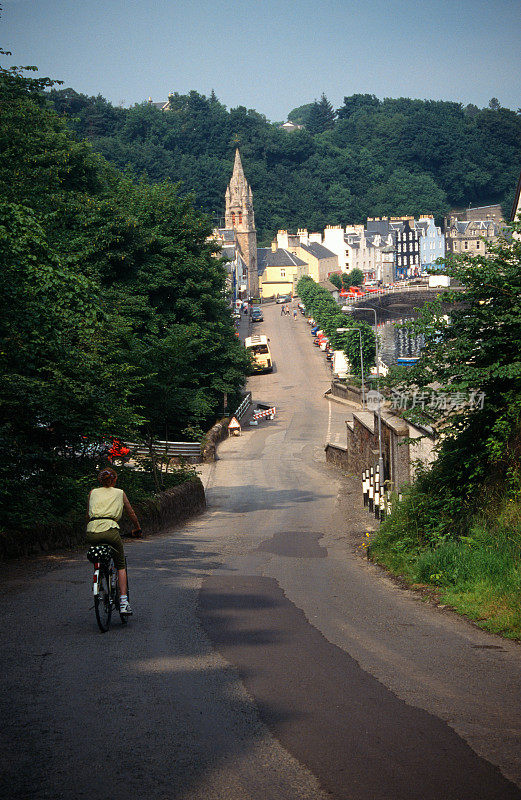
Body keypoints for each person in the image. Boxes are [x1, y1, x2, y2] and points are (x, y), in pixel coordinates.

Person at [86, 467, 141, 615]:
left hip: (92, 531)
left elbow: (88, 514)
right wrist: (137, 528)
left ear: (100, 480)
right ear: (115, 480)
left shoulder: (93, 492)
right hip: (111, 530)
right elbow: (131, 513)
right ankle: (123, 602)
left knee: (98, 553)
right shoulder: (119, 492)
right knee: (120, 565)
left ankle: (100, 581)